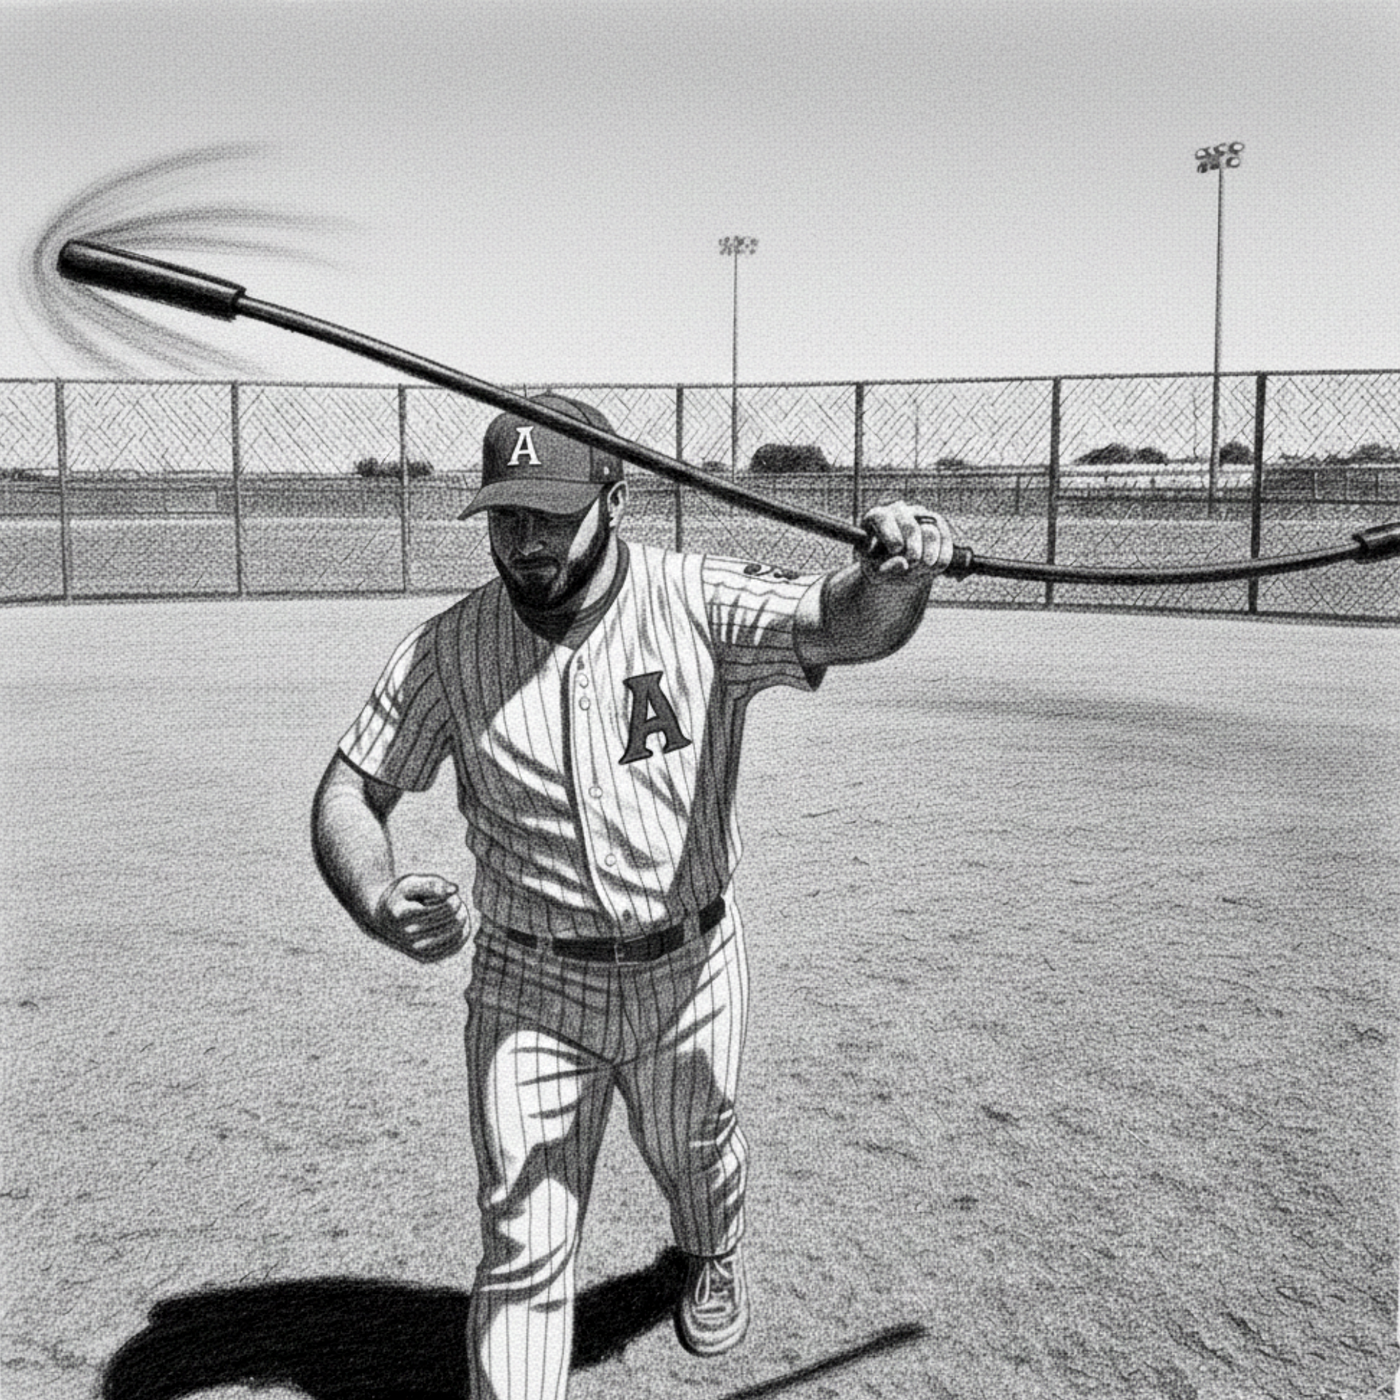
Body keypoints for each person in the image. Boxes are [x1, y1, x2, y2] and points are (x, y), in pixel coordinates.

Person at [311, 393, 954, 1400]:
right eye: (506, 517)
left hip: (690, 967)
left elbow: (842, 621)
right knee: (523, 1244)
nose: (526, 543)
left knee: (696, 1151)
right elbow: (351, 786)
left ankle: (708, 1252)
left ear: (612, 495)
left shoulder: (693, 598)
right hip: (529, 982)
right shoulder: (448, 646)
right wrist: (376, 890)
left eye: (550, 516)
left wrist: (895, 574)